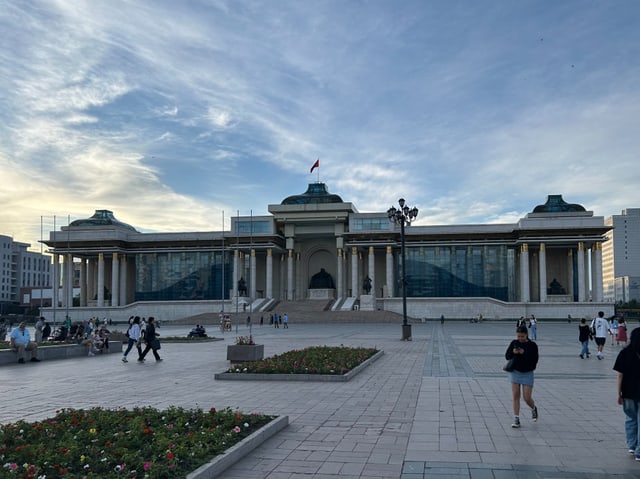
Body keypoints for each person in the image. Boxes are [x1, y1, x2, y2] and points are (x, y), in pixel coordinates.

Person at [613, 327, 640, 461]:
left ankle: (632, 445)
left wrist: (619, 394)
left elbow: (620, 375)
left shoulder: (625, 353)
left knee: (631, 419)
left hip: (628, 392)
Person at [505, 326, 539, 428]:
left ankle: (533, 408)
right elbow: (507, 356)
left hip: (527, 373)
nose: (520, 338)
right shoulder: (514, 343)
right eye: (518, 336)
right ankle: (516, 418)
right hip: (515, 372)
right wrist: (513, 352)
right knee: (515, 395)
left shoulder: (532, 345)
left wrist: (524, 353)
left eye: (522, 336)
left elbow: (534, 360)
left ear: (526, 335)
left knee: (527, 397)